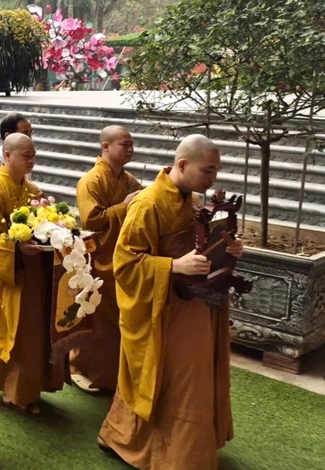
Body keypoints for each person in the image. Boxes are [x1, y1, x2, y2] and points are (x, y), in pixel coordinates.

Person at [98, 135, 241, 469]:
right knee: (176, 379)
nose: (213, 178)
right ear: (183, 164)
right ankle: (163, 451)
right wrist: (174, 266)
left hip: (195, 303)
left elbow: (203, 246)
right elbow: (125, 264)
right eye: (208, 170)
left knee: (192, 378)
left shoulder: (194, 201)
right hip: (162, 309)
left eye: (216, 171)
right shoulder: (147, 203)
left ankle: (146, 441)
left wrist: (229, 248)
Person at [0, 133, 62, 413]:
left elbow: (46, 224)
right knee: (12, 335)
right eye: (26, 155)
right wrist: (16, 247)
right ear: (7, 155)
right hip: (9, 276)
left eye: (33, 155)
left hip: (34, 274)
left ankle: (24, 389)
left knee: (33, 334)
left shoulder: (33, 191)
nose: (31, 161)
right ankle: (10, 391)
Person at [71, 126, 142, 394]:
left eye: (132, 144)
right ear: (106, 147)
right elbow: (91, 220)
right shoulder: (91, 181)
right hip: (99, 259)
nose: (130, 149)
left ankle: (117, 374)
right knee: (98, 320)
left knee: (121, 320)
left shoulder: (130, 180)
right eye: (125, 144)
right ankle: (89, 370)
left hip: (124, 258)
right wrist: (125, 206)